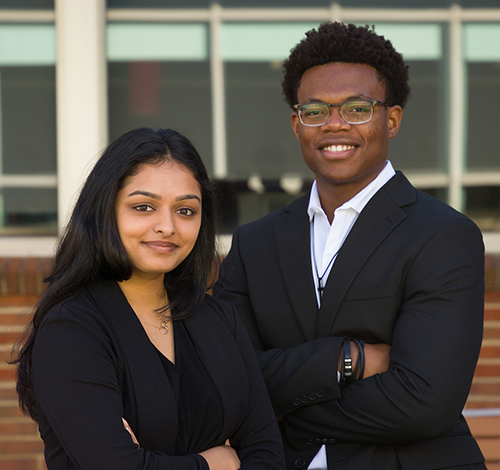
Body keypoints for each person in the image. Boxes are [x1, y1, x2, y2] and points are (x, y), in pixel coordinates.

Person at [213, 22, 486, 469]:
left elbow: (423, 402)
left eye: (358, 108)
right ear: (297, 123)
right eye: (315, 110)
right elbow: (227, 381)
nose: (335, 124)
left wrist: (282, 414)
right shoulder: (254, 243)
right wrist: (347, 359)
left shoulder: (443, 236)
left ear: (391, 119)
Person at [12, 128, 285, 470]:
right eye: (144, 207)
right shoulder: (72, 329)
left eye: (186, 211)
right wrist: (218, 463)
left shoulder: (219, 319)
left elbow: (268, 455)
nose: (167, 226)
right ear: (104, 211)